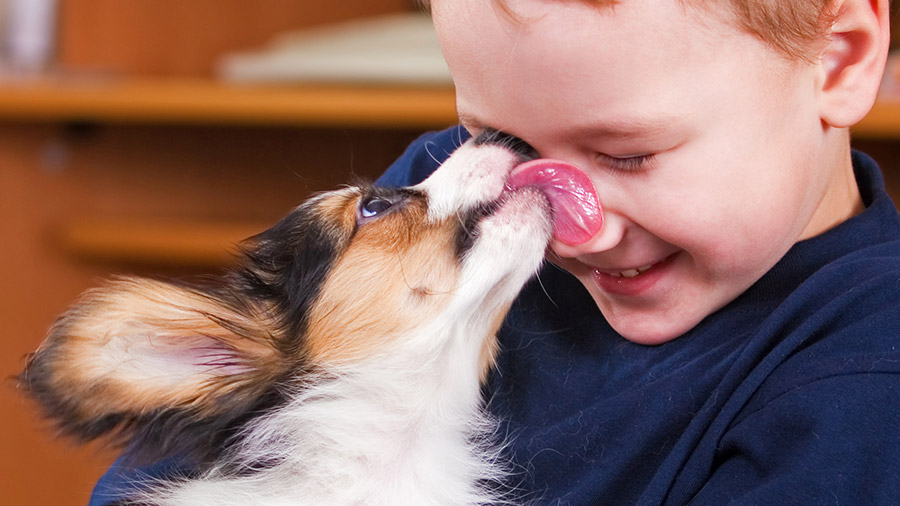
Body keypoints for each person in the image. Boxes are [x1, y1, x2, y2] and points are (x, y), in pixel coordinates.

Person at [90, 0, 900, 504]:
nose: (565, 221)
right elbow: (174, 473)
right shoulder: (453, 209)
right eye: (501, 138)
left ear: (842, 60)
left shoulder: (866, 381)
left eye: (626, 156)